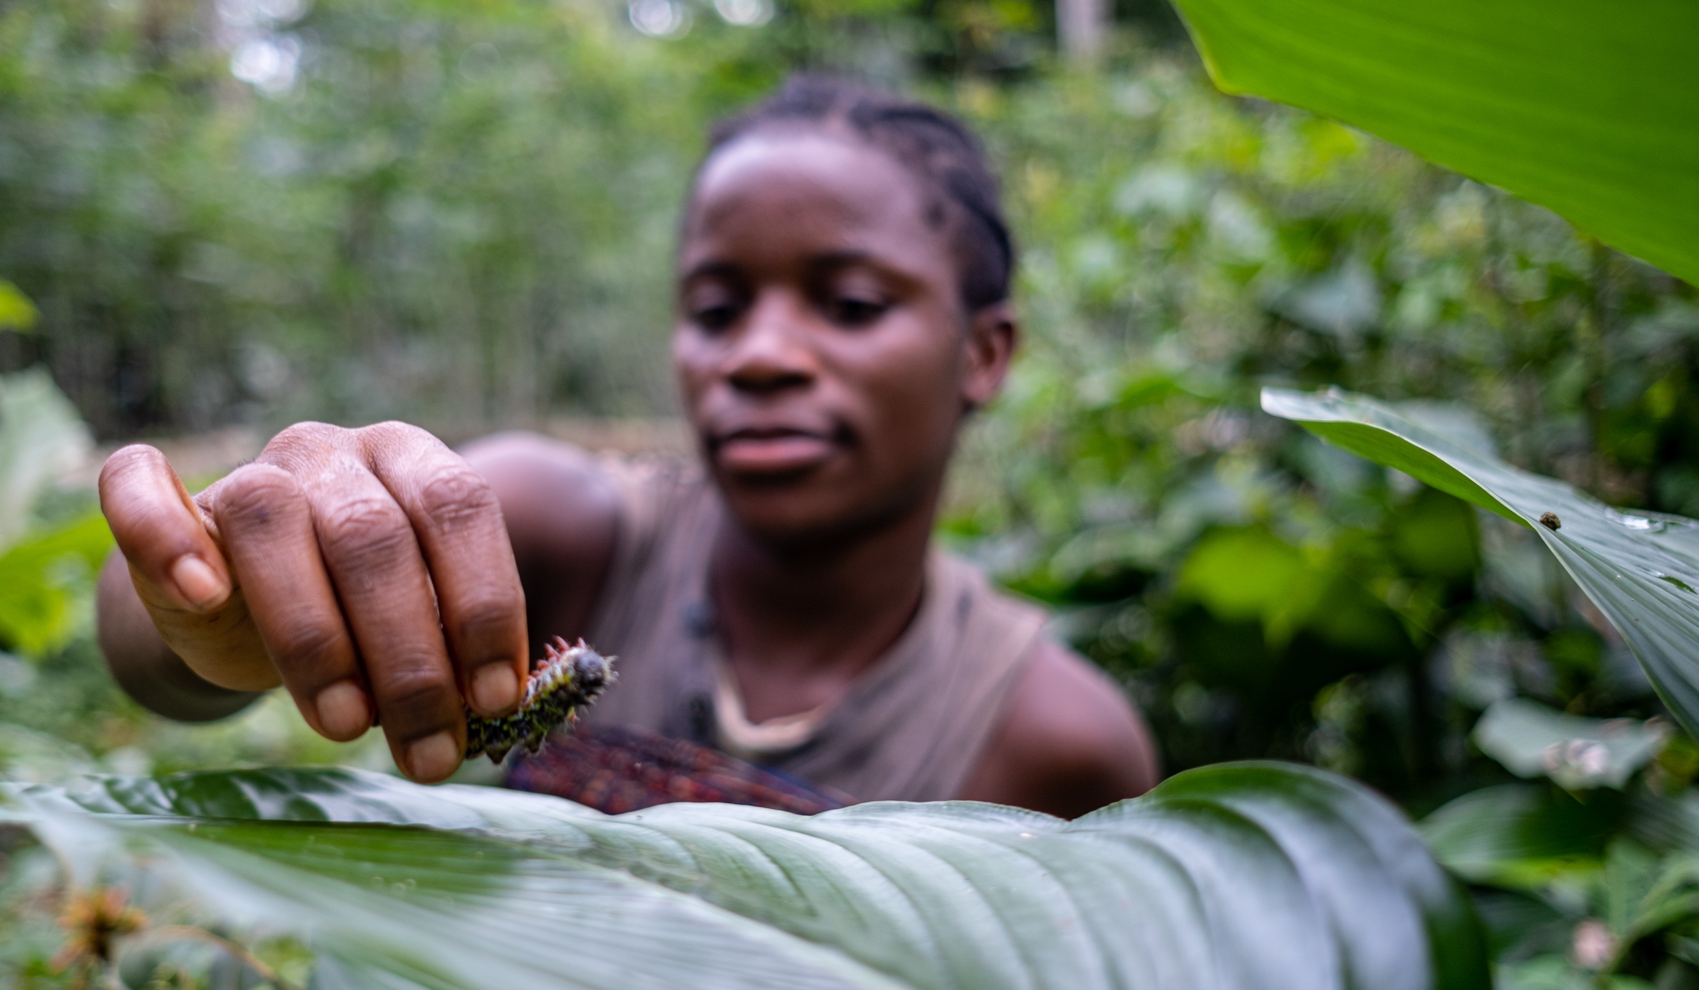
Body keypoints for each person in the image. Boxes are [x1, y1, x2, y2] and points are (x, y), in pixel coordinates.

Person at [94, 77, 1157, 819]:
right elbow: (154, 652)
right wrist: (208, 602)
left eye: (850, 302)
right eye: (716, 306)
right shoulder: (564, 533)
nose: (761, 355)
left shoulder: (1059, 743)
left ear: (984, 352)